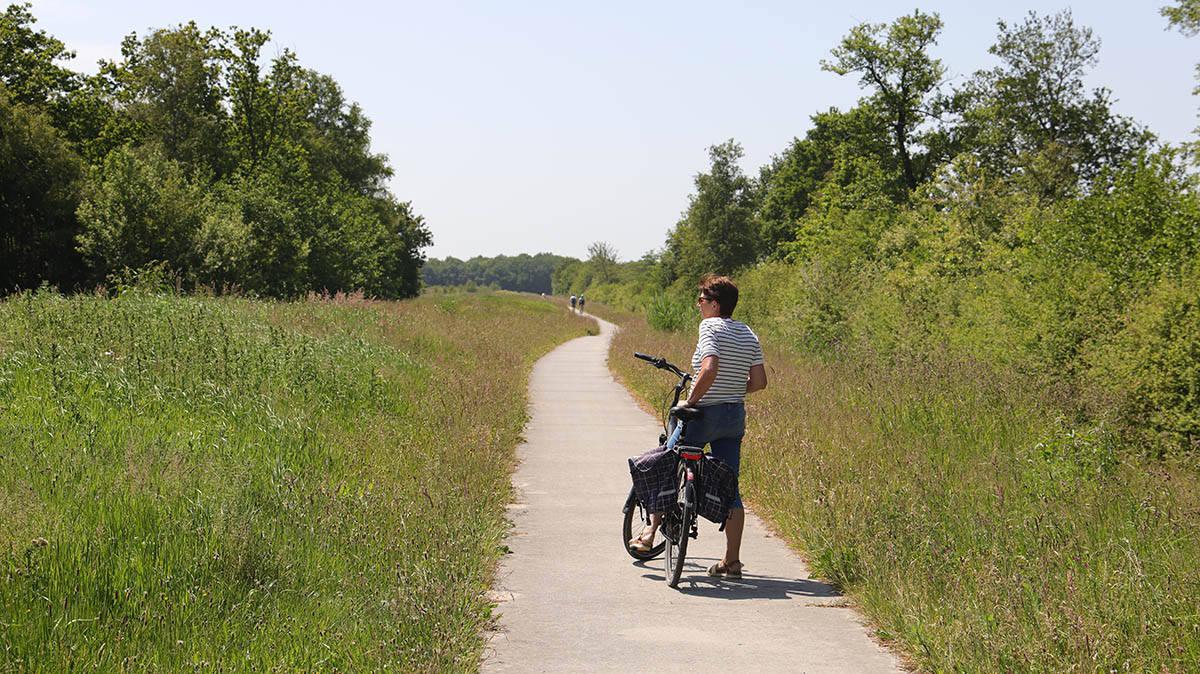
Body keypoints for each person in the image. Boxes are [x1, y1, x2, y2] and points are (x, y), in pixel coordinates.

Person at [628, 275, 766, 578]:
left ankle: (649, 533)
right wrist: (730, 389)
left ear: (715, 304)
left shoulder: (709, 326)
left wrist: (692, 400)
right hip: (734, 417)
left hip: (704, 415)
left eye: (702, 300)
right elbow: (759, 382)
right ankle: (732, 561)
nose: (698, 304)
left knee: (667, 462)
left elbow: (709, 368)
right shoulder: (747, 332)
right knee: (730, 486)